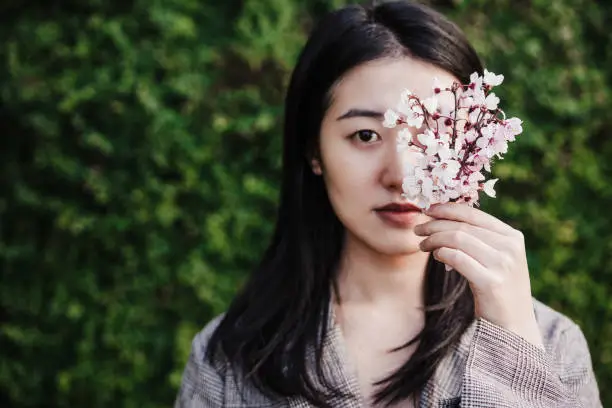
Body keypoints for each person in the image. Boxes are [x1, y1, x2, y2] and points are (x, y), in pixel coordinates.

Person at [174, 1, 602, 407]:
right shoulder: (231, 358)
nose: (399, 173)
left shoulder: (550, 342)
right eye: (365, 136)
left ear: (473, 142)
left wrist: (512, 345)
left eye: (433, 132)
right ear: (314, 152)